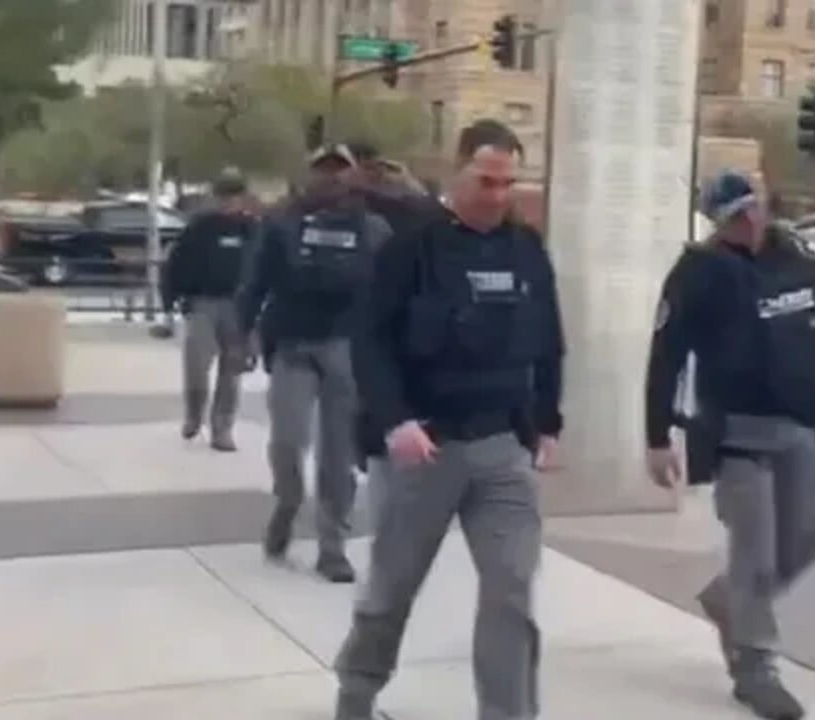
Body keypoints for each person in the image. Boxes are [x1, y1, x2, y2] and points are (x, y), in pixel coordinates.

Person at [333, 119, 565, 720]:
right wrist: (395, 422)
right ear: (457, 169)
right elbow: (371, 343)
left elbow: (549, 340)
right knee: (391, 589)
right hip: (424, 448)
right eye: (486, 180)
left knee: (511, 592)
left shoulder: (525, 247)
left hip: (502, 449)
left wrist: (549, 421)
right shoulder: (410, 246)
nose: (497, 195)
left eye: (507, 183)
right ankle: (357, 691)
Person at [643, 170, 815, 720]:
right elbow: (665, 356)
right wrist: (657, 437)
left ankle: (726, 599)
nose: (750, 221)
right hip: (737, 433)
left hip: (799, 424)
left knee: (806, 537)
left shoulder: (797, 257)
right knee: (753, 555)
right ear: (718, 222)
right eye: (736, 216)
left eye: (754, 207)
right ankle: (755, 666)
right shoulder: (698, 274)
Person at [238, 144, 393, 584]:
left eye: (339, 171)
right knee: (287, 441)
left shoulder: (375, 229)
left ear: (352, 176)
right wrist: (242, 336)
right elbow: (255, 281)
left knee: (338, 454)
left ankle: (332, 546)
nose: (330, 179)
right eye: (322, 171)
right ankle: (286, 503)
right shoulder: (282, 223)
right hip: (292, 343)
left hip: (347, 347)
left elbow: (391, 293)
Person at [162, 166, 259, 452]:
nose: (229, 201)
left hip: (239, 305)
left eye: (235, 195)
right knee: (197, 366)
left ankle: (222, 428)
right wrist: (170, 302)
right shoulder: (200, 227)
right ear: (215, 196)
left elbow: (264, 269)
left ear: (243, 197)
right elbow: (175, 265)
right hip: (202, 302)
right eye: (224, 195)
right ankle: (194, 414)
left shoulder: (253, 229)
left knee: (232, 370)